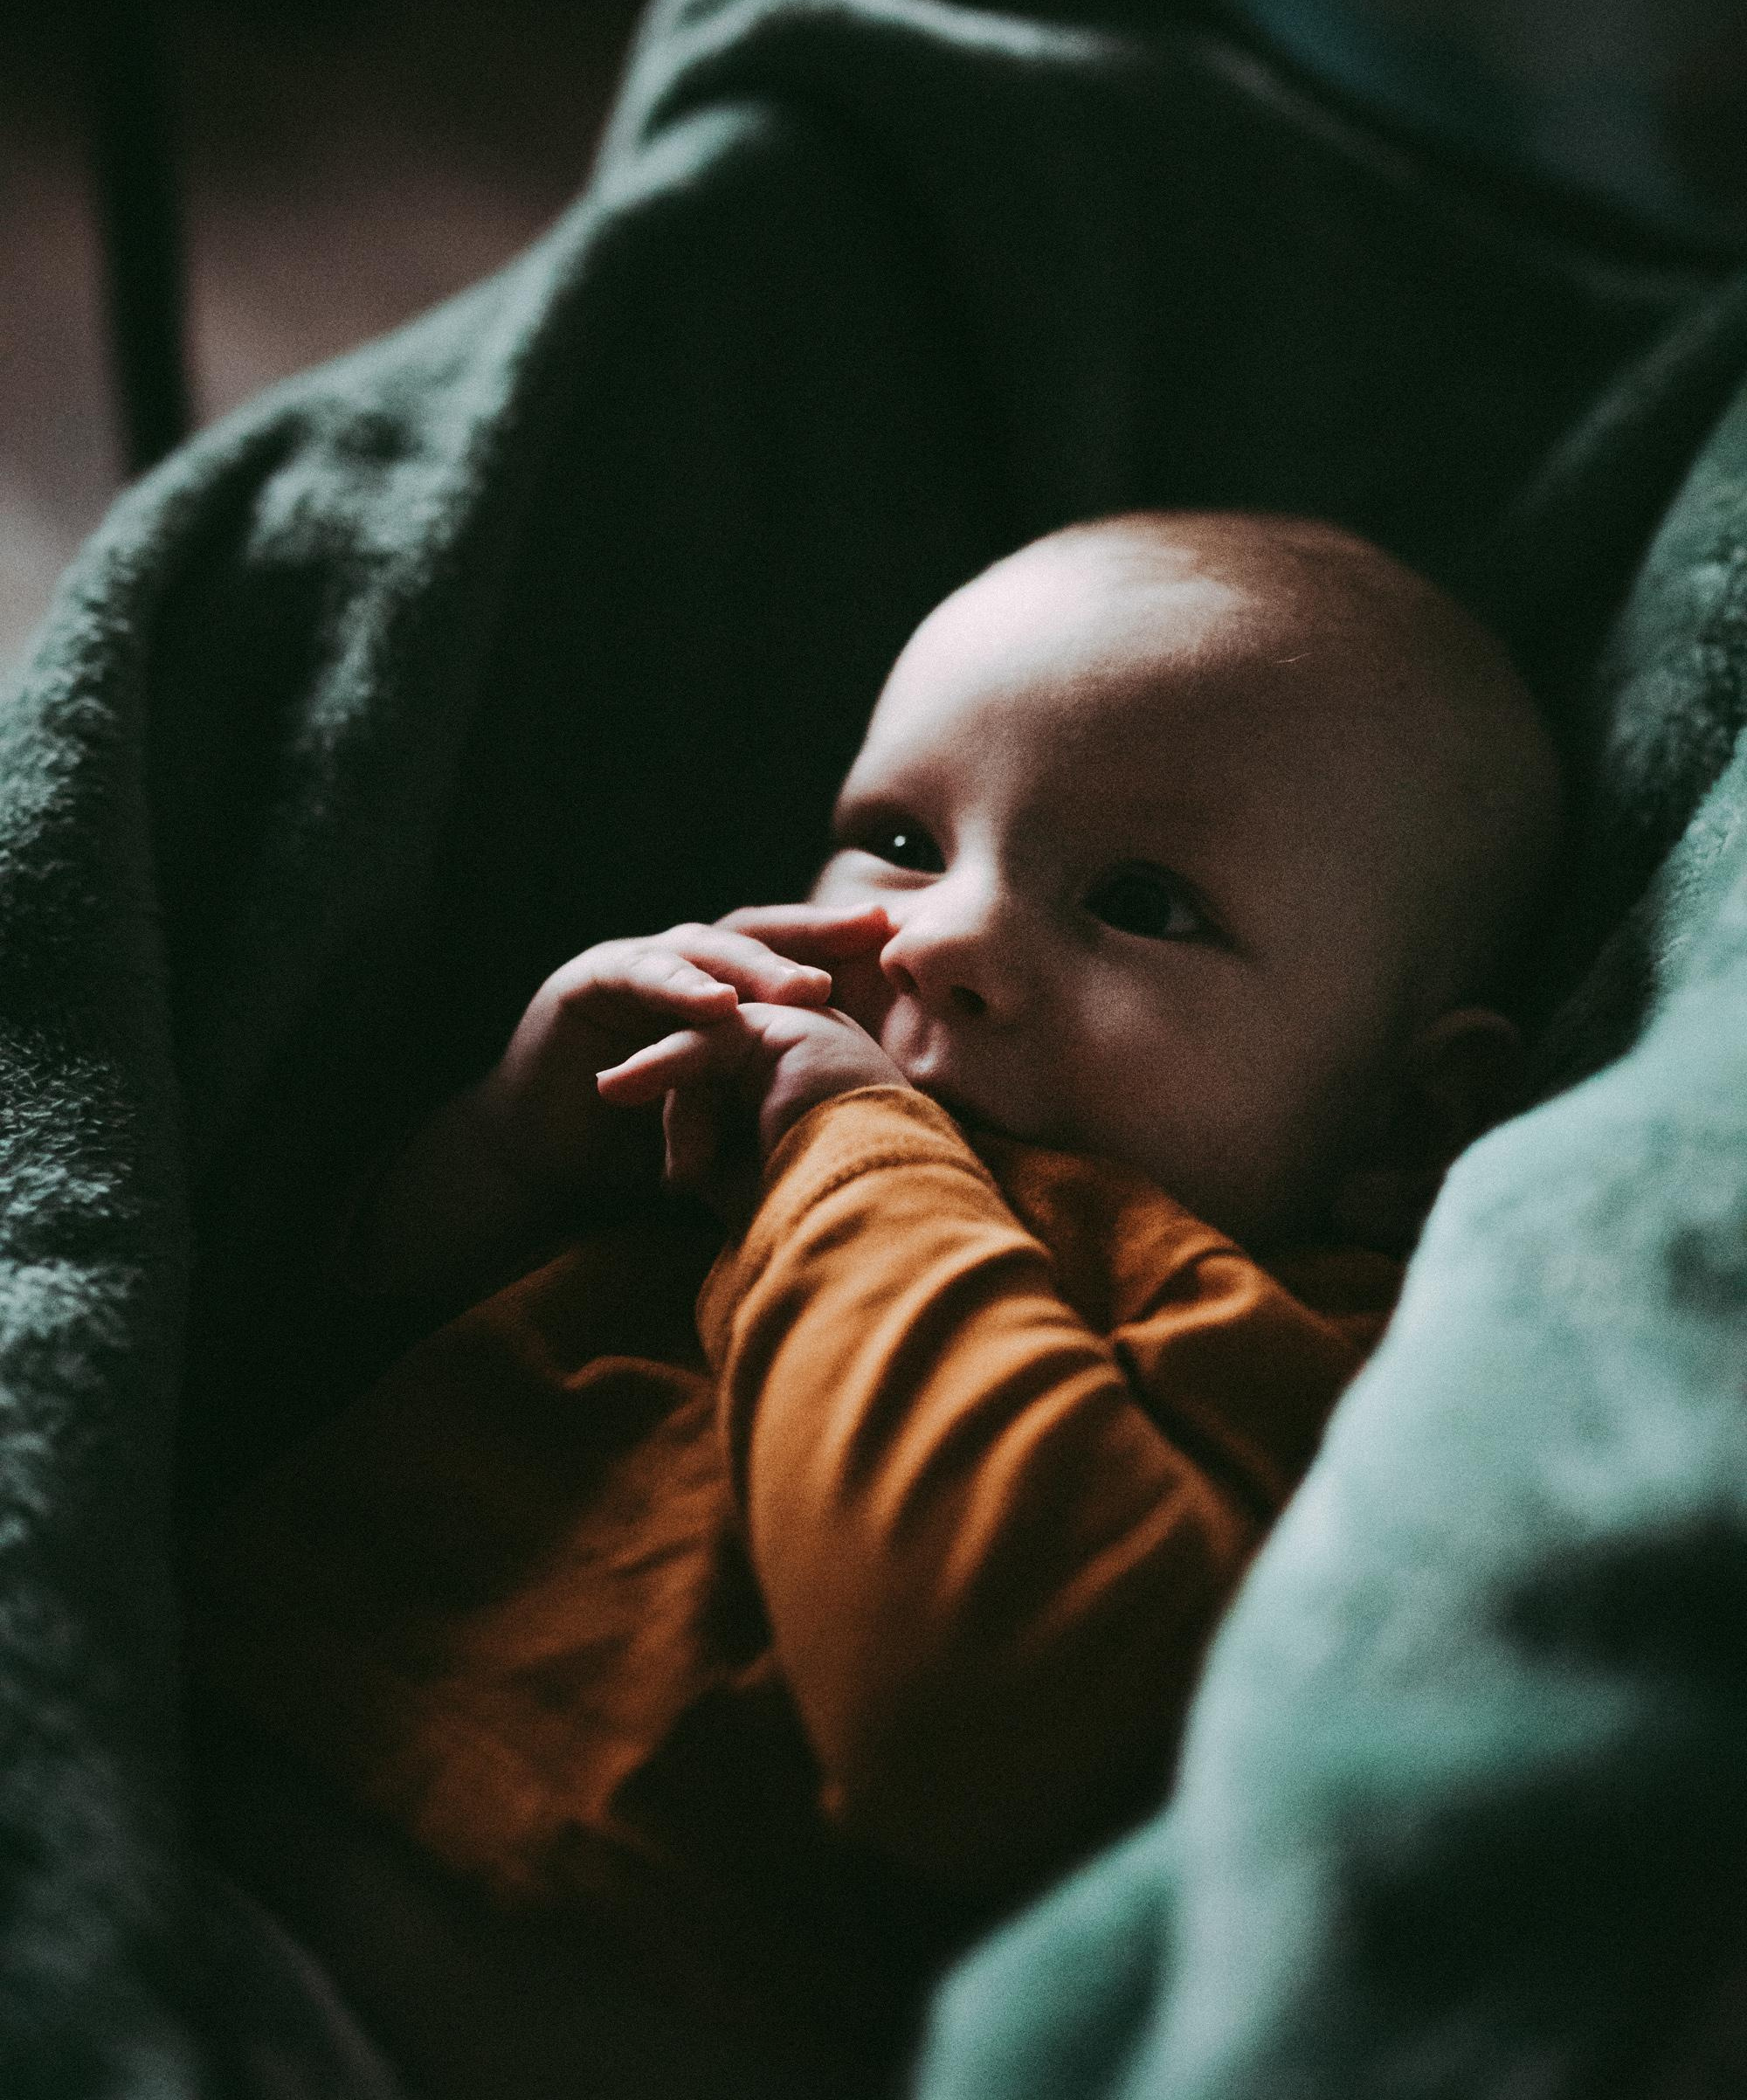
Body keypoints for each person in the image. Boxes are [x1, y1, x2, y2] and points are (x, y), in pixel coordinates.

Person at [187, 509, 1560, 2096]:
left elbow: (1000, 1718)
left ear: (1403, 1127)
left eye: (1140, 901)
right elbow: (253, 1386)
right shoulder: (691, 1134)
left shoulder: (1292, 1327)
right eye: (903, 841)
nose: (938, 936)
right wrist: (502, 1150)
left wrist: (848, 1142)